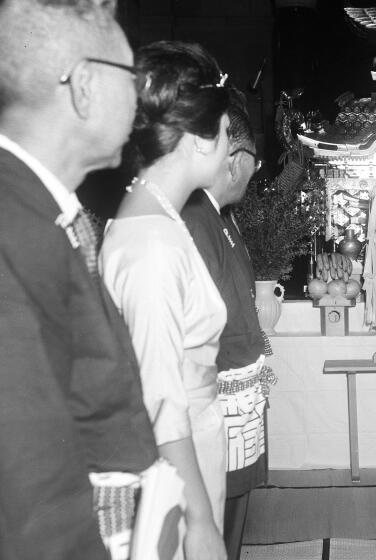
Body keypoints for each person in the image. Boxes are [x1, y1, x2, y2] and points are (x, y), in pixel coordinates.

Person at [0, 2, 159, 558]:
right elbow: (26, 479)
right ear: (85, 85)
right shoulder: (11, 226)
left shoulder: (41, 206)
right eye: (132, 76)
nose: (140, 95)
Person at [100, 40, 232, 560]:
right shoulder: (151, 243)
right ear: (200, 141)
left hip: (192, 445)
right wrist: (199, 521)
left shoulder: (162, 219)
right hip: (176, 463)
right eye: (225, 133)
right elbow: (161, 398)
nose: (228, 147)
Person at [180, 92, 274, 560]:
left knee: (234, 511)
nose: (253, 174)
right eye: (253, 163)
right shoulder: (196, 220)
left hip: (238, 390)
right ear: (235, 158)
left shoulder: (223, 219)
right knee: (217, 514)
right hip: (216, 395)